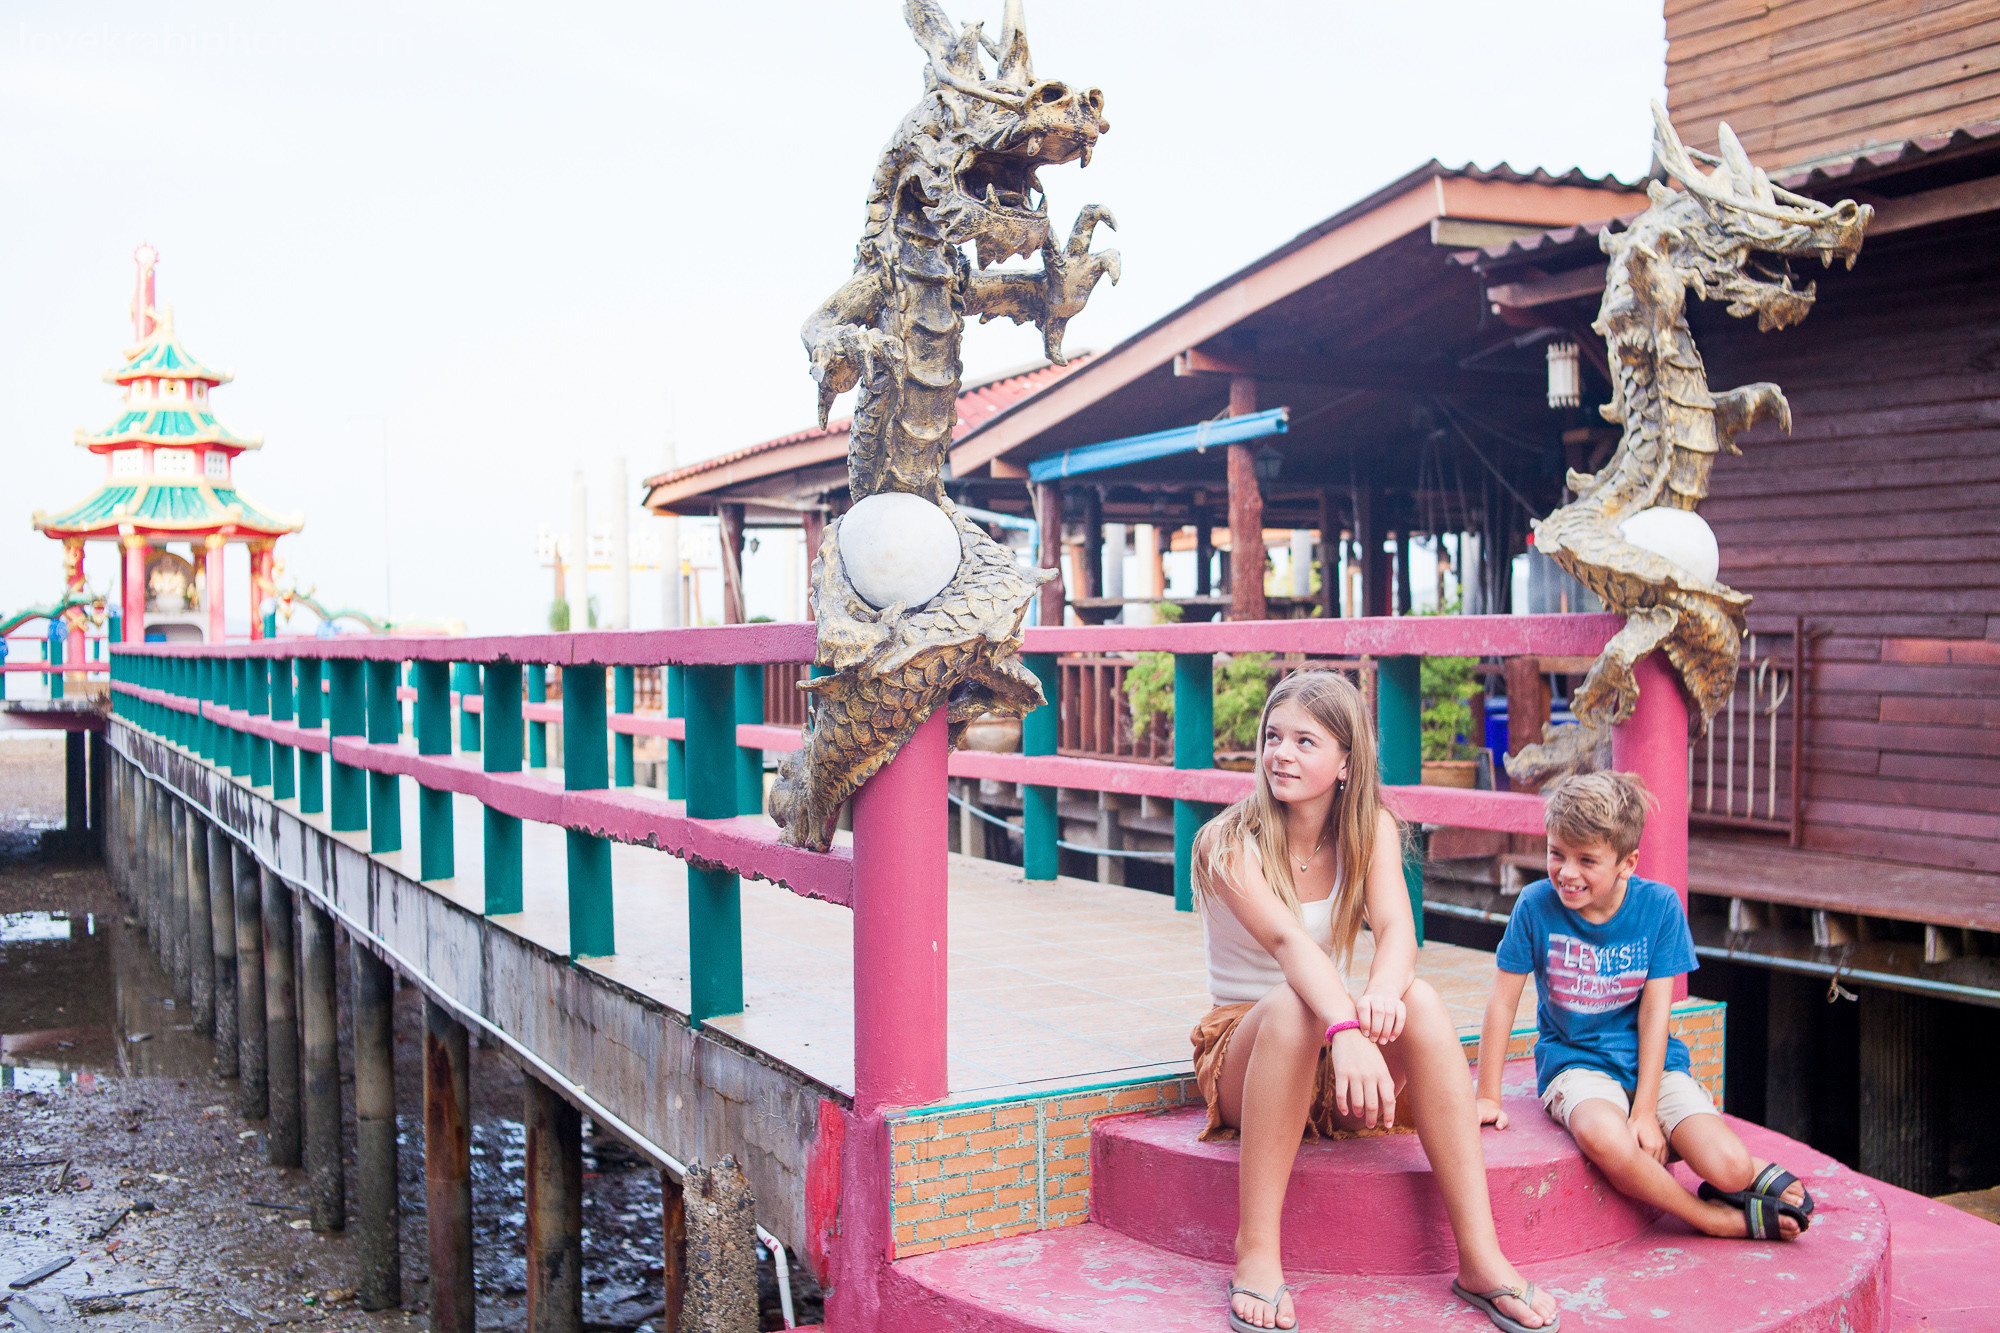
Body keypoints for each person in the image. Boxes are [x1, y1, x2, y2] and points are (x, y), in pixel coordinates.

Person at [1193, 671, 1560, 1333]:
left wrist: (1383, 995)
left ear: (1345, 762)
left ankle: (1480, 1256)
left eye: (1305, 741)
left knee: (1419, 998)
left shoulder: (1371, 830)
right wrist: (1346, 1027)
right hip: (1250, 1050)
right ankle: (1257, 1250)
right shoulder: (1227, 841)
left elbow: (1396, 931)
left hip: (1332, 1041)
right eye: (1273, 737)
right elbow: (1287, 944)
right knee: (1295, 1003)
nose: (1281, 753)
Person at [1475, 771, 1813, 1243]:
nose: (1566, 873)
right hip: (1575, 1064)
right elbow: (1502, 1002)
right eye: (1557, 854)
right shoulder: (1534, 906)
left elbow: (1656, 1014)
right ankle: (1710, 1217)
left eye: (1586, 860)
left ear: (1627, 863)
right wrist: (1488, 1096)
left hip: (1652, 1065)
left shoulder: (1660, 907)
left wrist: (1645, 1111)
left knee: (1731, 1168)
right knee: (1607, 1139)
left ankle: (1739, 1173)